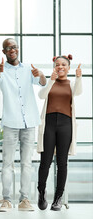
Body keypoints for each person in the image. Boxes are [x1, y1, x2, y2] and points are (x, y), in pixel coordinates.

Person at [0, 38, 46, 212]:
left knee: (26, 163)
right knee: (7, 163)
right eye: (8, 48)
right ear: (4, 52)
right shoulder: (2, 70)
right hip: (10, 123)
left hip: (29, 122)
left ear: (18, 48)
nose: (12, 50)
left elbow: (43, 83)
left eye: (14, 47)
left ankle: (25, 200)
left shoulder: (29, 68)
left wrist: (41, 75)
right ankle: (6, 200)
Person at [37, 54, 82, 211]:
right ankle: (41, 192)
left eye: (64, 64)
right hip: (49, 124)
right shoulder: (51, 82)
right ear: (54, 67)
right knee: (45, 162)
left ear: (68, 68)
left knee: (62, 163)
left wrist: (78, 77)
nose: (60, 66)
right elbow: (41, 95)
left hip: (65, 124)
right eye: (57, 64)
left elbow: (78, 92)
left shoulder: (71, 84)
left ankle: (58, 198)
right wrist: (51, 80)